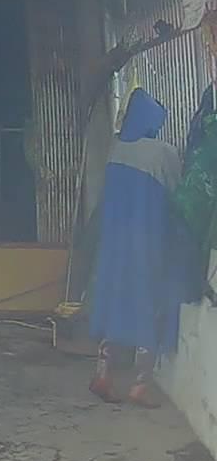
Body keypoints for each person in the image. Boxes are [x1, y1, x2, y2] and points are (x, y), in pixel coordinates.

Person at [88, 89, 193, 408]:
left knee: (114, 306)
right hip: (148, 244)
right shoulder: (163, 153)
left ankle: (103, 376)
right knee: (151, 309)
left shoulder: (116, 148)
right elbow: (179, 196)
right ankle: (140, 386)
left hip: (114, 245)